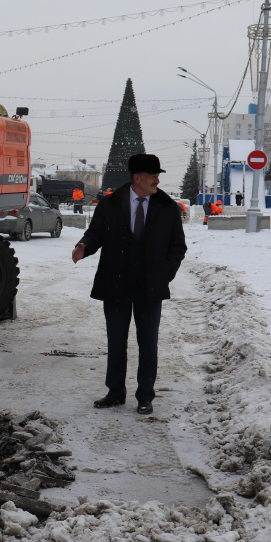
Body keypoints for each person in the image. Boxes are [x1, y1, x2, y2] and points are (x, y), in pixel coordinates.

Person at [72, 154, 187, 415]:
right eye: (152, 175)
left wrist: (165, 273)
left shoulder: (168, 208)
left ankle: (145, 395)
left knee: (148, 342)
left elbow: (177, 246)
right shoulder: (110, 204)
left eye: (158, 175)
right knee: (116, 341)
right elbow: (97, 232)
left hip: (150, 287)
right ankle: (115, 392)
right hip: (116, 284)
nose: (157, 180)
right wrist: (84, 246)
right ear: (137, 178)